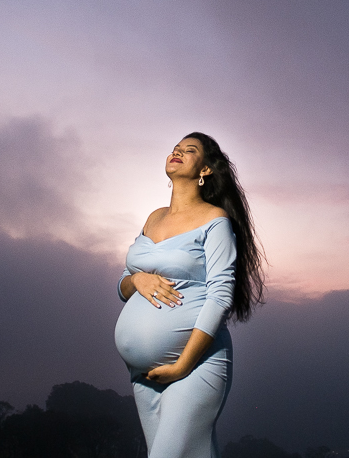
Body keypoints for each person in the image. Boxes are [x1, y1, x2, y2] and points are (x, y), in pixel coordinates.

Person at [114, 132, 266, 458]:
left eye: (189, 150)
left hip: (196, 366)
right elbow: (124, 284)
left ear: (206, 170)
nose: (178, 152)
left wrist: (183, 365)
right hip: (144, 376)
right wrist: (137, 280)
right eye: (175, 148)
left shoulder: (215, 221)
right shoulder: (153, 218)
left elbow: (221, 295)